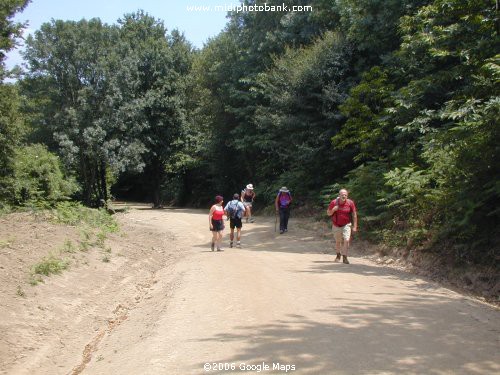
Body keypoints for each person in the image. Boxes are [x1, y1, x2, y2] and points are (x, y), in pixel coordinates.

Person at [326, 188, 358, 264]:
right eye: (342, 194)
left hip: (346, 224)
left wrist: (355, 226)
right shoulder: (334, 202)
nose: (344, 196)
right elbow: (328, 213)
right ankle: (338, 255)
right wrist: (333, 210)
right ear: (339, 195)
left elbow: (354, 215)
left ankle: (345, 257)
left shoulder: (350, 203)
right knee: (338, 241)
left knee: (346, 240)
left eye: (345, 195)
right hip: (336, 225)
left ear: (347, 196)